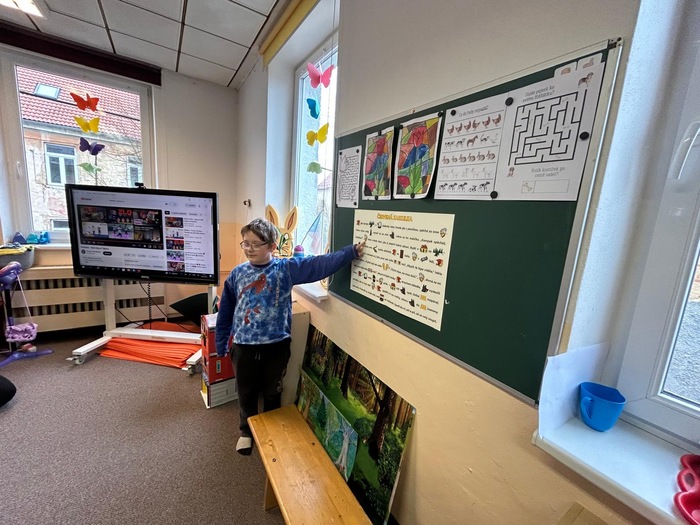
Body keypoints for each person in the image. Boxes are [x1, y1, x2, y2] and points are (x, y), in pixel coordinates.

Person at [216, 217, 365, 455]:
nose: (249, 249)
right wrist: (222, 342)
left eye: (256, 244)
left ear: (272, 246)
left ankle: (270, 429)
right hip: (244, 345)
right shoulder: (237, 274)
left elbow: (319, 265)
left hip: (276, 345)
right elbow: (225, 311)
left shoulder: (285, 269)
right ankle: (246, 431)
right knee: (245, 391)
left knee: (273, 390)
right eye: (245, 243)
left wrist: (349, 253)